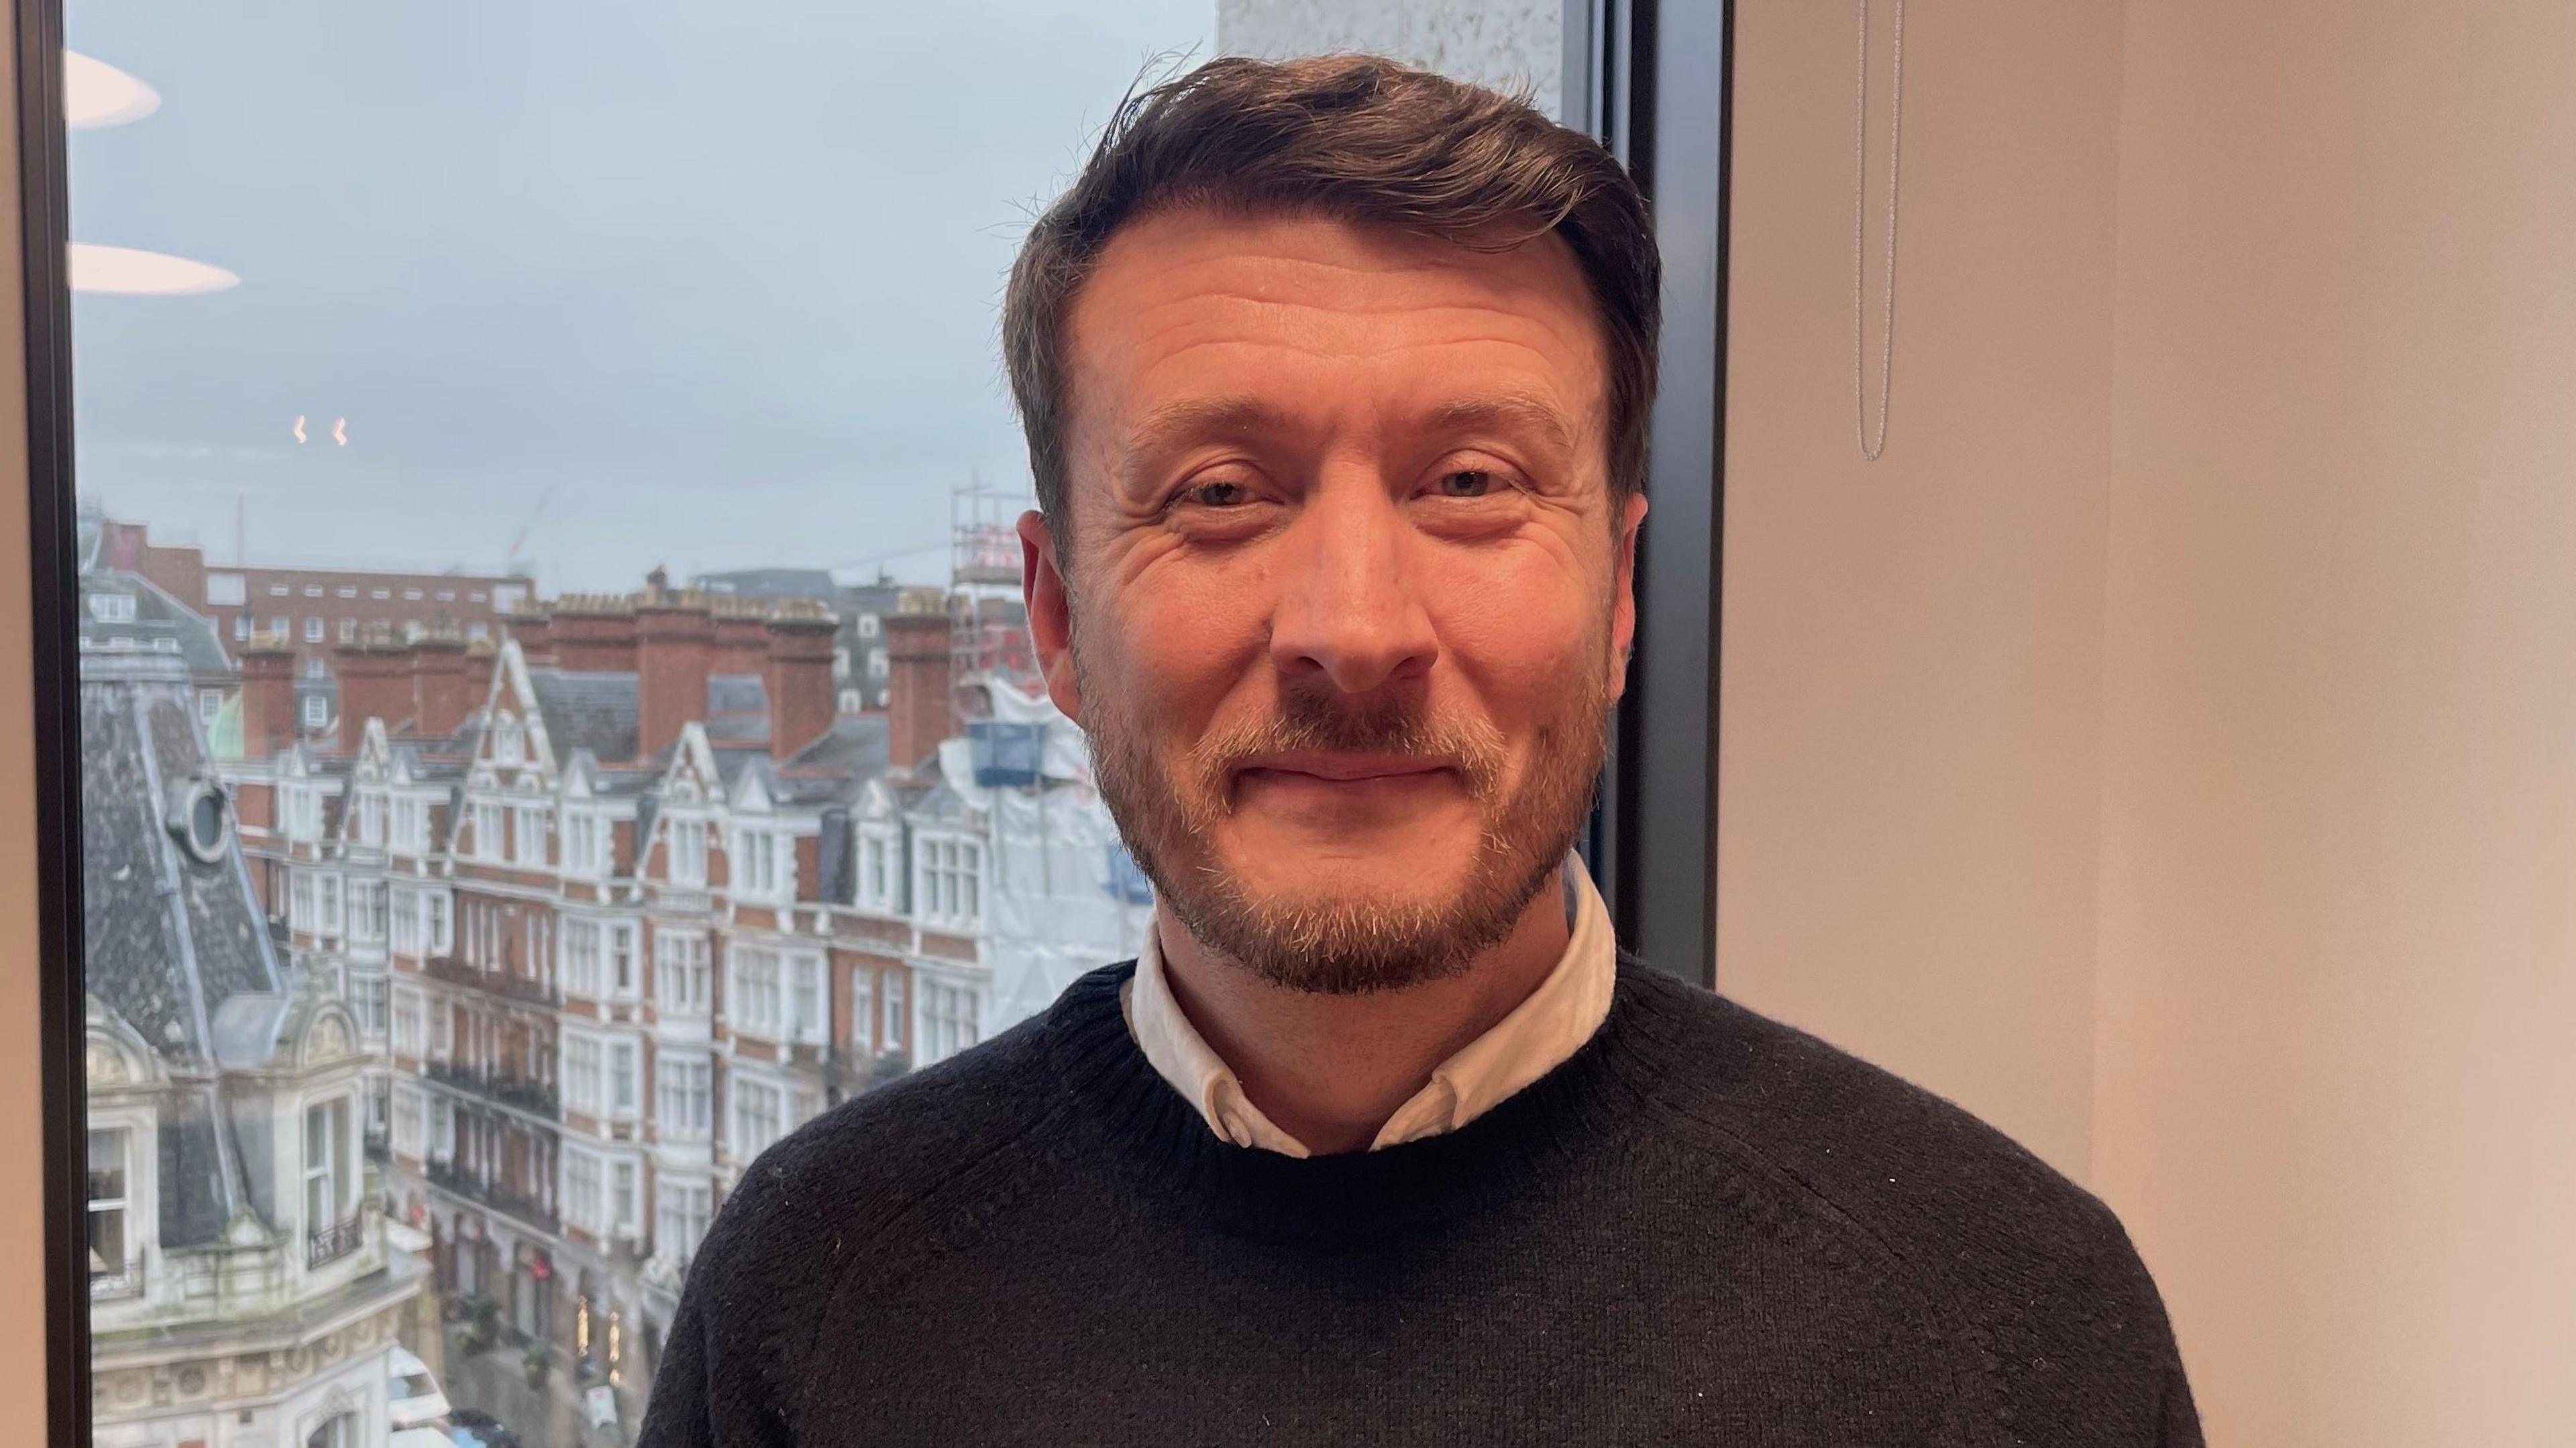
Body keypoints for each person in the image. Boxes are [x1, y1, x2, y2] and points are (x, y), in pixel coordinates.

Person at [639, 54, 2200, 1446]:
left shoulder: (2000, 1333)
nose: (1356, 627)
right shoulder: (818, 1301)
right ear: (1054, 618)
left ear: (1619, 600)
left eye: (1468, 483)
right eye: (1221, 495)